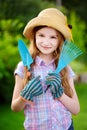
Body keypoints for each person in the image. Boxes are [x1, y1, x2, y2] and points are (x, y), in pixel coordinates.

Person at [11, 8, 80, 130]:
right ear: (34, 37)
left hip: (65, 126)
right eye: (41, 35)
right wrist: (24, 97)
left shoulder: (65, 68)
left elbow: (76, 109)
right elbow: (15, 108)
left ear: (60, 41)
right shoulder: (24, 67)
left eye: (53, 37)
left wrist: (60, 95)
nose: (46, 42)